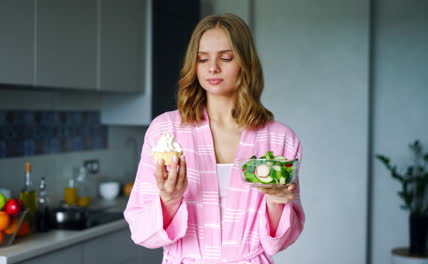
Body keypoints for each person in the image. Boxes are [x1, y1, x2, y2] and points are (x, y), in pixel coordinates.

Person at [124, 13, 304, 264]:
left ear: (246, 62)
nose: (212, 68)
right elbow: (141, 231)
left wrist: (275, 203)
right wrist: (169, 200)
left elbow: (280, 242)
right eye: (202, 59)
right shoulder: (165, 131)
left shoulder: (279, 139)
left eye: (226, 58)